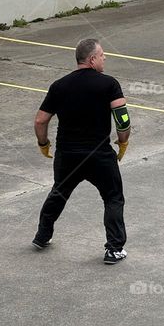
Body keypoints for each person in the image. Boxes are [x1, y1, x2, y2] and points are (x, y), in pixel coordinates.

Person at [33, 38, 132, 264]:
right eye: (102, 54)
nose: (105, 58)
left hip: (67, 155)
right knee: (113, 197)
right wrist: (123, 141)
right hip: (99, 155)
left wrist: (43, 144)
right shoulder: (109, 84)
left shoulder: (59, 85)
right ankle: (114, 249)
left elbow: (40, 120)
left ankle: (42, 235)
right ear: (92, 59)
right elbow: (123, 120)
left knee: (59, 192)